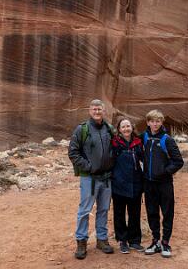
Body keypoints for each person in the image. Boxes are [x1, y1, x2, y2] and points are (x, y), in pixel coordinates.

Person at [68, 99, 115, 260]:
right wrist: (88, 167)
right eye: (94, 109)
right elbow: (73, 152)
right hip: (89, 178)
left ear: (103, 111)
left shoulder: (109, 129)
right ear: (90, 111)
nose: (97, 112)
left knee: (103, 209)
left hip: (106, 177)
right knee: (85, 210)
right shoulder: (82, 129)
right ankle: (81, 241)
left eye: (99, 109)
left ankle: (101, 239)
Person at [141, 110, 184, 258]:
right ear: (148, 122)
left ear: (161, 122)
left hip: (164, 184)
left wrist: (165, 172)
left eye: (158, 121)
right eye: (152, 121)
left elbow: (178, 161)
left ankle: (165, 243)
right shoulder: (144, 137)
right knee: (152, 212)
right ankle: (155, 242)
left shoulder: (167, 139)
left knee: (167, 213)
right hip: (149, 183)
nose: (155, 124)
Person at [111, 118, 145, 254]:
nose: (126, 129)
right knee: (119, 213)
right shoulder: (114, 143)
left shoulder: (138, 142)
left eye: (128, 126)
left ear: (132, 127)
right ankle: (122, 240)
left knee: (134, 213)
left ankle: (135, 241)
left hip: (135, 183)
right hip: (118, 183)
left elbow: (144, 159)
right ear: (119, 129)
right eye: (123, 127)